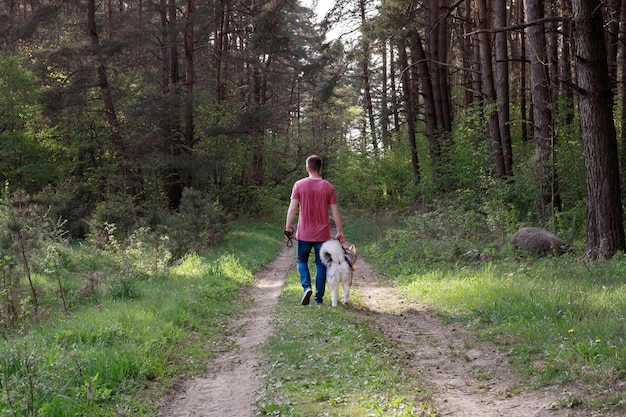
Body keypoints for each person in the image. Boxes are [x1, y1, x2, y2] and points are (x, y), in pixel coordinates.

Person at [285, 155, 345, 306]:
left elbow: (293, 208)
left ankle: (306, 287)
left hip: (304, 233)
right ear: (321, 168)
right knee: (321, 265)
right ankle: (318, 299)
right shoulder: (328, 187)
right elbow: (335, 212)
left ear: (307, 168)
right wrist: (340, 231)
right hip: (323, 235)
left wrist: (288, 226)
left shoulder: (299, 185)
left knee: (301, 260)